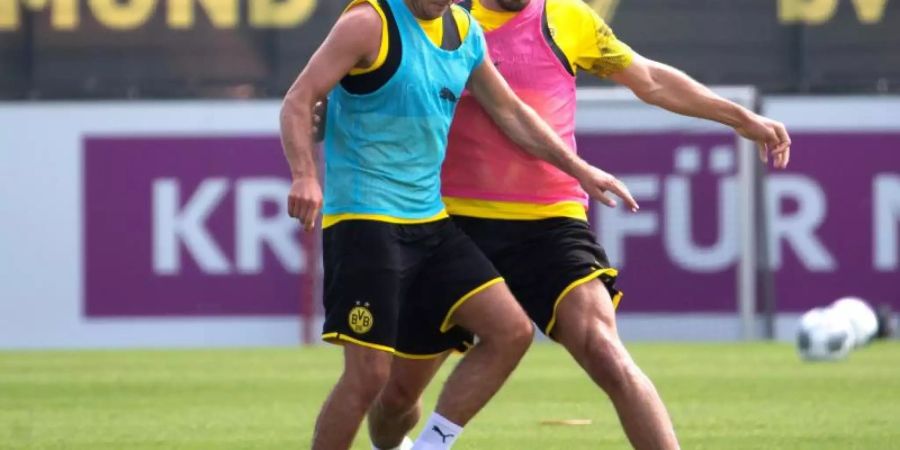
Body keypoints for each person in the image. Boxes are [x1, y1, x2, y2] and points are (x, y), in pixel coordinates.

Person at [365, 0, 792, 449]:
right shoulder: (440, 18)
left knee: (605, 350)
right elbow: (377, 80)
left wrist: (740, 117)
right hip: (450, 224)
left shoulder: (567, 17)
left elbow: (648, 79)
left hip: (549, 222)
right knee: (396, 396)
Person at [279, 0, 640, 448]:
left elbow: (510, 112)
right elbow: (299, 99)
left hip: (430, 221)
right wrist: (305, 176)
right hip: (365, 221)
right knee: (369, 379)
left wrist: (579, 168)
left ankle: (431, 445)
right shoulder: (368, 22)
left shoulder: (465, 31)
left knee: (510, 331)